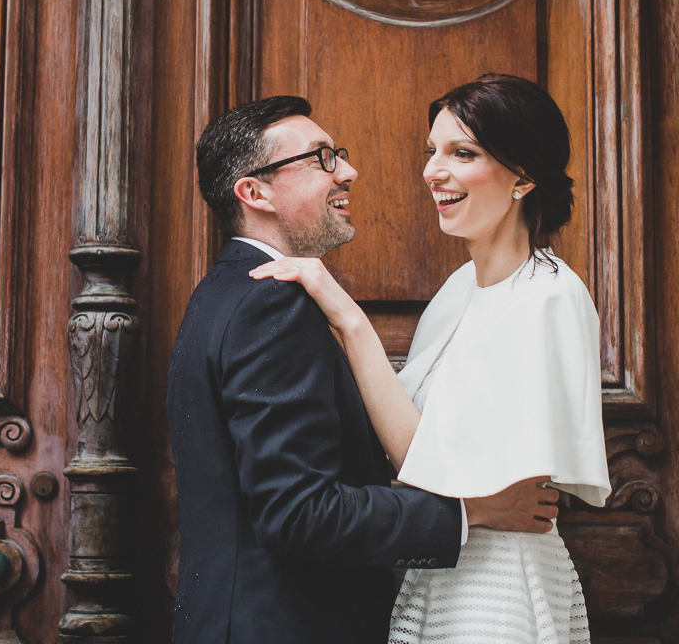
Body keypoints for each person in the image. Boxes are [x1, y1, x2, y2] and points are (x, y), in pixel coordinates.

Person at [166, 95, 561, 644]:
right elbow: (300, 514)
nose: (348, 171)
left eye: (340, 155)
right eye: (321, 159)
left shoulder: (224, 292)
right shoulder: (269, 303)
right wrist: (474, 511)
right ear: (255, 193)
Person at [251, 75, 612, 644]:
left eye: (461, 153)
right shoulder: (457, 288)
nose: (432, 171)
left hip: (499, 582)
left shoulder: (550, 294)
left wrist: (348, 318)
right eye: (432, 151)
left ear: (523, 176)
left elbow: (423, 458)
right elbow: (419, 464)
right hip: (442, 568)